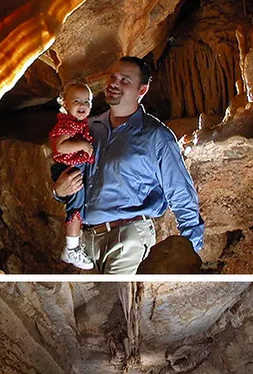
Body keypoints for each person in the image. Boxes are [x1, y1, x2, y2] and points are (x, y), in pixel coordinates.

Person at [52, 56, 205, 274]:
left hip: (128, 239)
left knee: (118, 304)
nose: (114, 83)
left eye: (125, 80)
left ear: (142, 90)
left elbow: (180, 193)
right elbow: (73, 176)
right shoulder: (89, 129)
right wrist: (58, 191)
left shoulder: (156, 137)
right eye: (113, 77)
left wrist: (190, 250)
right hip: (86, 242)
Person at [49, 82, 95, 270]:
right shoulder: (67, 124)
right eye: (76, 101)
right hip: (70, 168)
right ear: (65, 104)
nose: (82, 105)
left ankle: (74, 245)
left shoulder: (80, 124)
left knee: (79, 206)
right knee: (75, 207)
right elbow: (60, 146)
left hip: (77, 167)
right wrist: (83, 146)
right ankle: (72, 248)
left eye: (87, 101)